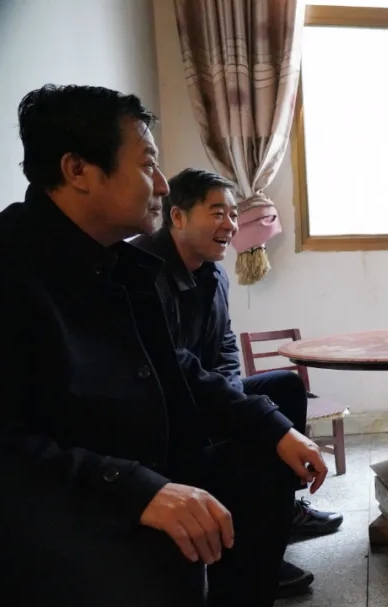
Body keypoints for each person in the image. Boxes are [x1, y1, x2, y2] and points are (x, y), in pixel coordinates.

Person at [0, 84, 328, 607]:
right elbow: (2, 446)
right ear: (78, 170)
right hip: (63, 499)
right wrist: (136, 489)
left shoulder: (118, 264)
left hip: (144, 462)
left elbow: (176, 366)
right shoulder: (5, 268)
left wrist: (272, 425)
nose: (164, 185)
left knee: (266, 462)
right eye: (148, 164)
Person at [132, 168, 344, 599]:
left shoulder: (214, 275)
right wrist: (248, 416)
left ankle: (283, 513)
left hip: (204, 395)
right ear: (177, 216)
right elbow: (174, 366)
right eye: (217, 213)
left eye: (233, 214)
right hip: (165, 414)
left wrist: (233, 393)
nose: (230, 224)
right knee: (266, 450)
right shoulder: (145, 272)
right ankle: (260, 547)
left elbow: (225, 345)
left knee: (284, 387)